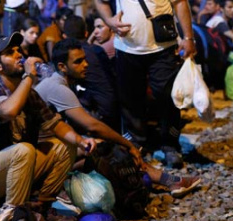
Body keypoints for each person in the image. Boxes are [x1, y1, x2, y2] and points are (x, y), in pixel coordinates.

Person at [35, 38, 202, 197]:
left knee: (106, 151)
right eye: (78, 62)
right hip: (46, 157)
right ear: (62, 67)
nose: (86, 65)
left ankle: (167, 181)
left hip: (53, 151)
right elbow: (92, 126)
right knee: (113, 152)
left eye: (85, 59)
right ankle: (168, 181)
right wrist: (128, 144)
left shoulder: (57, 80)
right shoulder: (58, 87)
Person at [0, 32, 96, 210]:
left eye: (18, 50)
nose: (19, 55)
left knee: (65, 145)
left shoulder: (29, 94)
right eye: (10, 53)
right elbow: (9, 111)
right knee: (24, 150)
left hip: (15, 168)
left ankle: (42, 205)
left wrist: (81, 141)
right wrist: (29, 77)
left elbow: (55, 124)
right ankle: (14, 218)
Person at [95, 0, 197, 168]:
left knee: (168, 96)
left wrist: (188, 37)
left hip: (164, 46)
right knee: (130, 99)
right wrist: (109, 20)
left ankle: (170, 146)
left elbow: (180, 2)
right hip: (127, 48)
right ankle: (135, 145)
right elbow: (100, 2)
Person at [63, 15, 121, 132]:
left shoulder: (71, 57)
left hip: (100, 113)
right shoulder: (97, 49)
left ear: (64, 37)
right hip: (117, 107)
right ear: (85, 33)